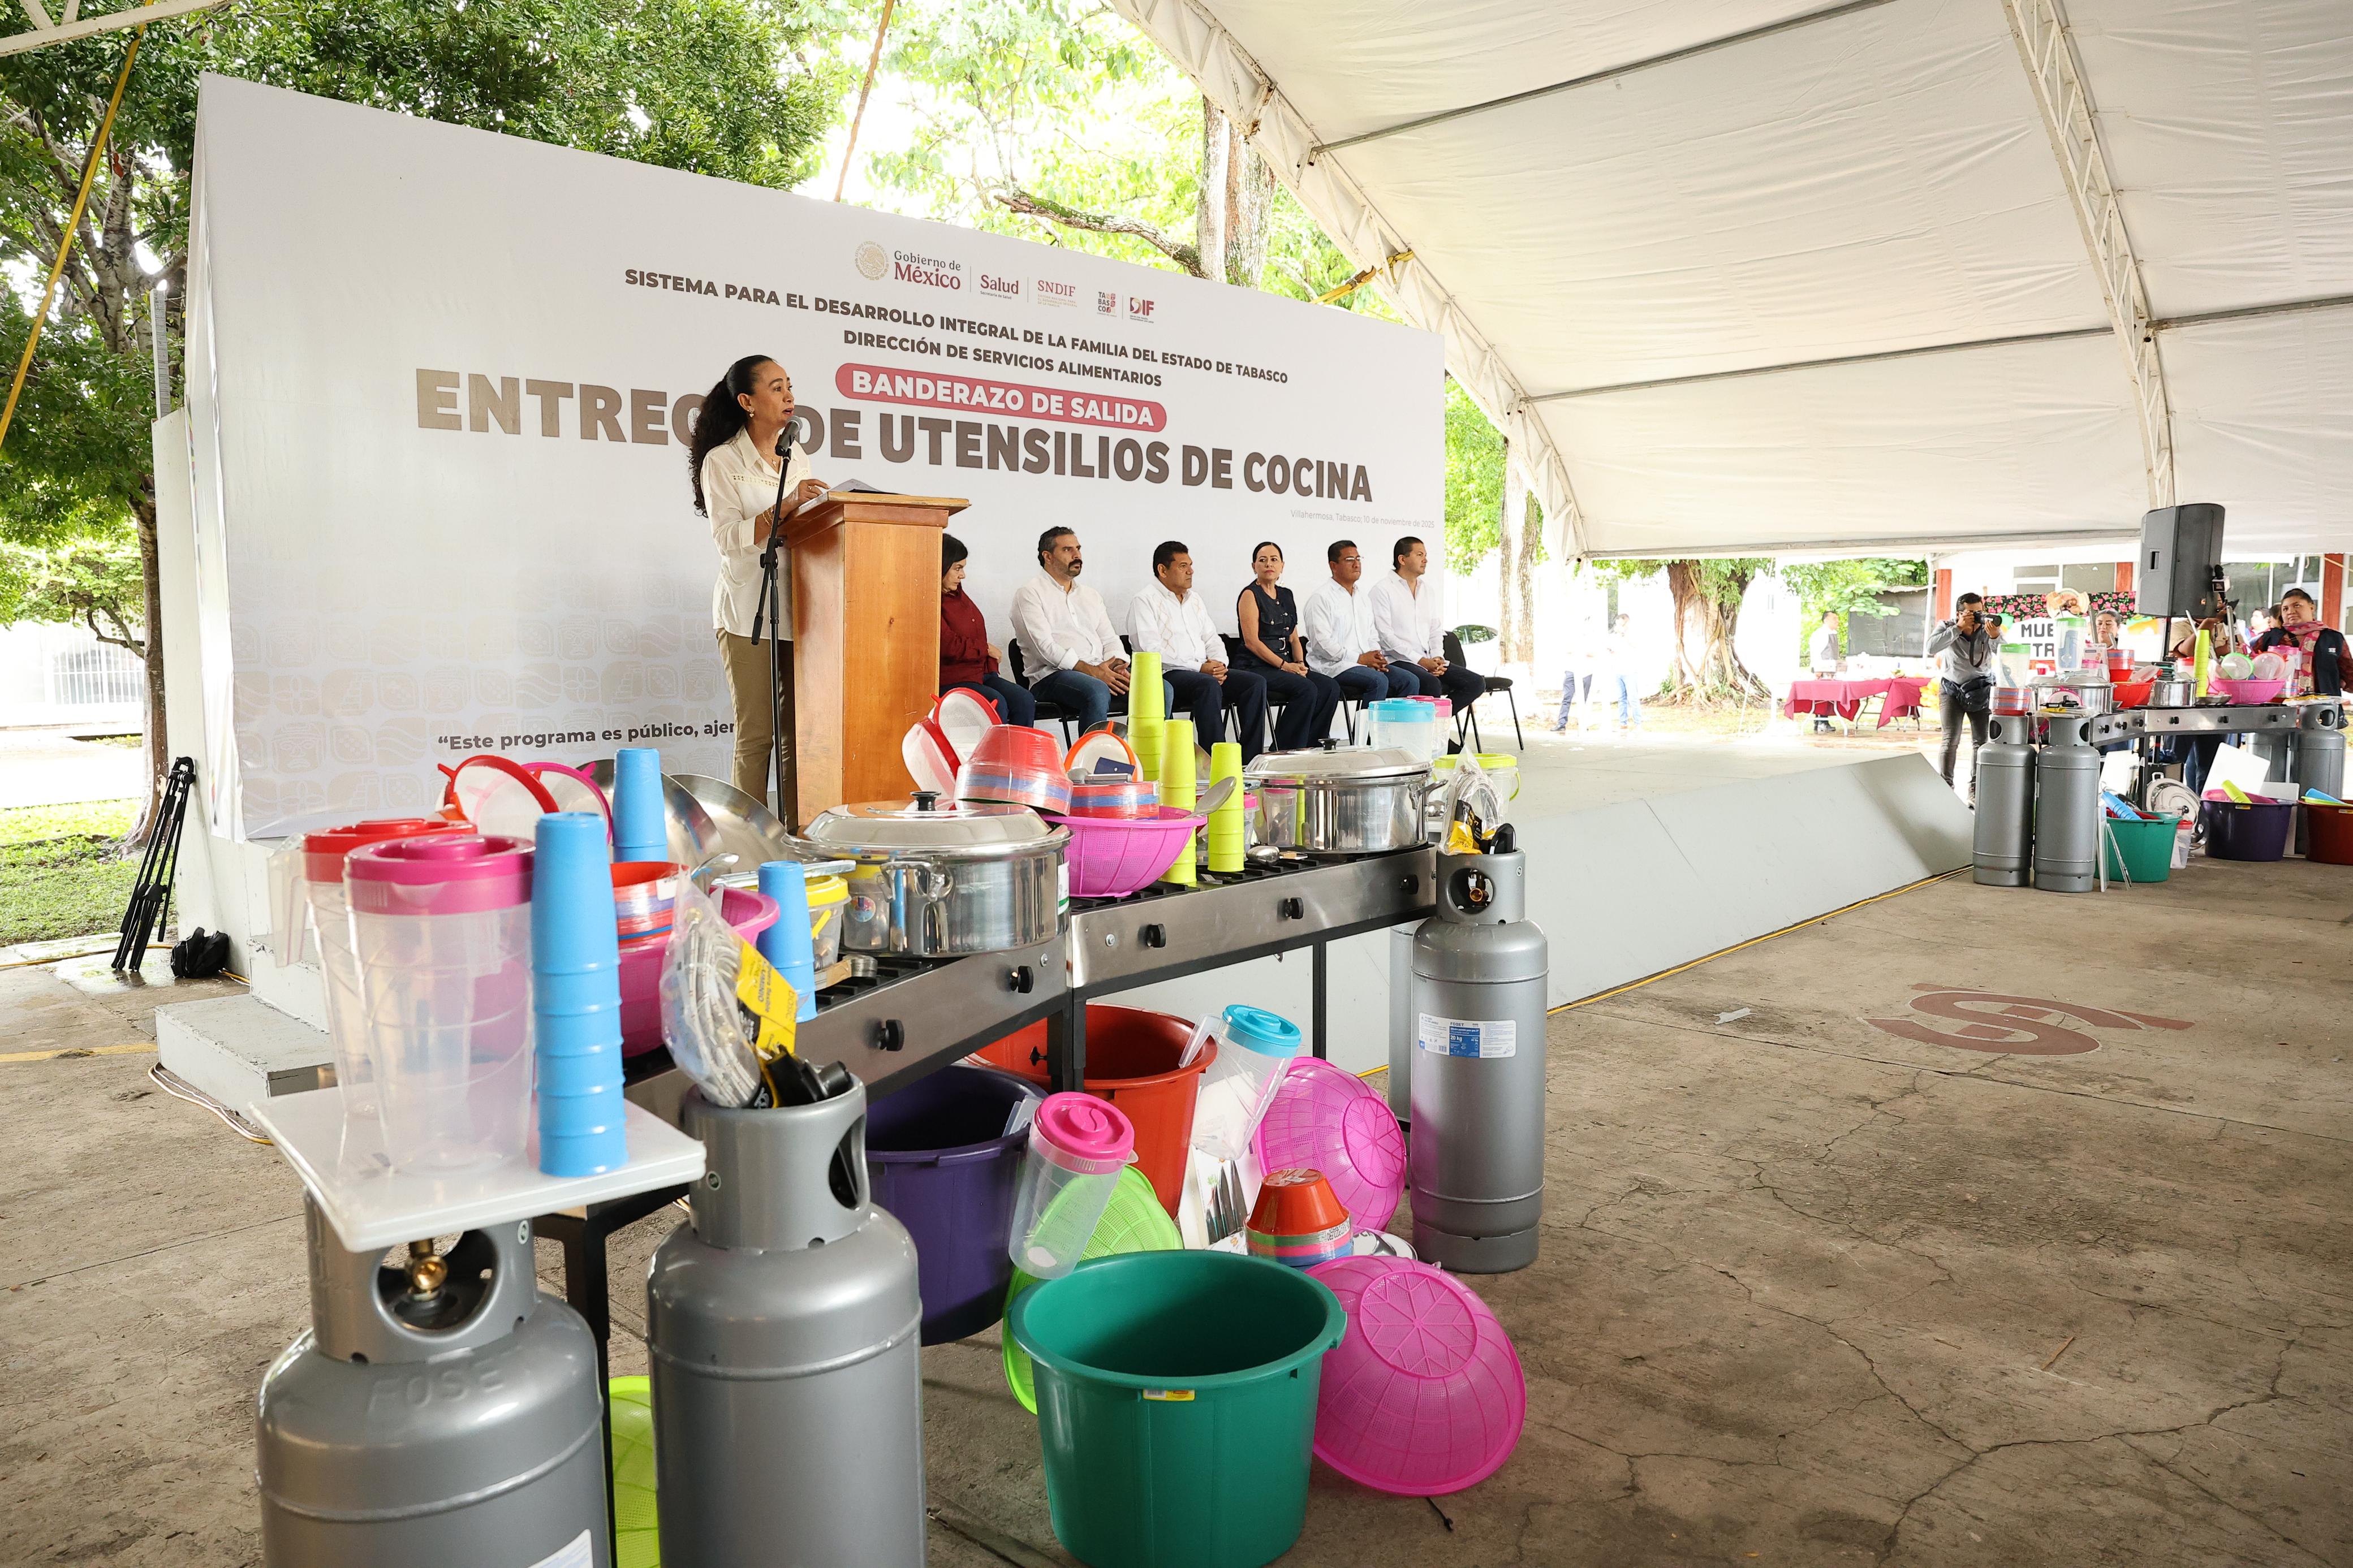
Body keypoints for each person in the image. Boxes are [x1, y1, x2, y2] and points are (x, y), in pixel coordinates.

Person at [691, 353, 827, 822]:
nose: (789, 395)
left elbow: (805, 529)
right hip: (749, 607)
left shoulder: (798, 456)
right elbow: (728, 539)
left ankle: (796, 829)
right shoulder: (722, 461)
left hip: (800, 609)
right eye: (775, 387)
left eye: (789, 384)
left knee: (797, 733)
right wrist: (787, 506)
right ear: (747, 401)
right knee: (757, 733)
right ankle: (749, 834)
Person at [1130, 540, 1270, 761]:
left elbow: (1212, 638)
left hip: (1204, 671)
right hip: (1168, 674)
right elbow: (1151, 652)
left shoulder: (1194, 599)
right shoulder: (1145, 600)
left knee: (1254, 684)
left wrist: (1219, 664)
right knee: (1207, 685)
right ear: (1163, 570)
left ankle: (1250, 761)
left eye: (1191, 565)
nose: (1191, 571)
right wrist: (1201, 668)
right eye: (1183, 566)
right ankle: (1214, 762)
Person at [1009, 527, 1134, 733]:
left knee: (1158, 689)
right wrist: (1093, 672)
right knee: (1097, 691)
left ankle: (1145, 758)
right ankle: (1093, 762)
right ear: (1047, 557)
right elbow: (1045, 649)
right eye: (1067, 550)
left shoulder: (1090, 595)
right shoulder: (1029, 594)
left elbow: (1110, 638)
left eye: (1078, 548)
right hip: (1051, 677)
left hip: (1099, 671)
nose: (1077, 555)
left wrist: (1116, 665)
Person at [1235, 541, 1343, 749]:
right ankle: (1286, 750)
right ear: (1254, 566)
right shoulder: (1250, 595)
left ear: (1282, 566)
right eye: (1263, 560)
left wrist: (1300, 664)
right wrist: (1286, 666)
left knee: (1330, 687)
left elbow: (1294, 638)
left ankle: (1313, 746)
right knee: (1306, 689)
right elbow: (1252, 642)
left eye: (1274, 560)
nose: (1269, 564)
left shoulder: (1286, 595)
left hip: (1287, 666)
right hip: (1256, 667)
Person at [1369, 536, 1485, 727]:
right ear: (1402, 559)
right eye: (1420, 554)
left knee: (1475, 683)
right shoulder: (1382, 590)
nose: (1425, 560)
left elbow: (1435, 629)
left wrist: (1437, 657)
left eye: (1426, 555)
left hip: (1428, 658)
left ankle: (1434, 728)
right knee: (1430, 683)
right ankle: (1429, 734)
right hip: (1398, 659)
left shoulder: (1427, 591)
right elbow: (1385, 636)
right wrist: (1422, 662)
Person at [1303, 539, 1419, 711]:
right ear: (1333, 566)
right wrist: (1359, 659)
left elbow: (1372, 634)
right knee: (1378, 681)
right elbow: (1322, 644)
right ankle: (1365, 737)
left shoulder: (1363, 598)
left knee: (1410, 681)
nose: (1357, 564)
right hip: (1333, 666)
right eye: (1350, 560)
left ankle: (1394, 735)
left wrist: (1375, 657)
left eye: (1358, 559)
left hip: (1364, 664)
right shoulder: (1321, 598)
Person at [938, 533, 1035, 727]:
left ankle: (1015, 757)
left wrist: (990, 667)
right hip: (952, 678)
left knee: (1024, 700)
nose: (962, 575)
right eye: (957, 568)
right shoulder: (932, 600)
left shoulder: (957, 593)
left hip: (981, 674)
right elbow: (947, 645)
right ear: (941, 567)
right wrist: (986, 649)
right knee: (995, 704)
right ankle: (992, 757)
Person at [1928, 593, 1996, 793]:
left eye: (1979, 612)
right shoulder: (1947, 626)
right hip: (1952, 690)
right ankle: (1946, 787)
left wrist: (1995, 636)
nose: (1976, 617)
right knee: (1950, 740)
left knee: (1981, 742)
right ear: (1959, 613)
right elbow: (1931, 647)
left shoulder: (1987, 628)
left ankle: (1975, 789)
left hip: (1981, 690)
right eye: (1971, 613)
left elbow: (2007, 651)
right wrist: (1958, 628)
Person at [2253, 586, 2352, 697]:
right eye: (2285, 609)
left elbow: (2349, 674)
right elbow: (2251, 665)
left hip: (2324, 708)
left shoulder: (2332, 638)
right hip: (2278, 707)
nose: (2291, 612)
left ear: (2312, 607)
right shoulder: (2271, 638)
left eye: (2297, 605)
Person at [1552, 621, 1596, 732]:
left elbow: (1594, 653)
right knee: (1567, 698)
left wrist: (1583, 652)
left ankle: (1583, 724)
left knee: (1583, 699)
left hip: (1586, 672)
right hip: (1571, 671)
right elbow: (1568, 651)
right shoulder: (1571, 638)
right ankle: (1561, 723)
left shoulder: (1591, 639)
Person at [1603, 614, 1642, 732]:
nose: (1619, 626)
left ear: (1627, 623)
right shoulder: (1616, 637)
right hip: (1618, 671)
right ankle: (1623, 723)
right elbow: (1615, 650)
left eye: (1621, 623)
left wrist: (1623, 634)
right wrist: (1611, 651)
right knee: (1621, 699)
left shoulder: (1632, 634)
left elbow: (1634, 645)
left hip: (1630, 671)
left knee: (1633, 698)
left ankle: (1638, 724)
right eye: (1617, 623)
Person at [1808, 611, 1842, 675]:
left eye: (1838, 619)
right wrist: (1818, 670)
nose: (1837, 621)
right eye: (1834, 619)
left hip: (1832, 671)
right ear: (1826, 621)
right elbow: (1815, 653)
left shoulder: (1834, 633)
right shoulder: (1820, 634)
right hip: (1822, 672)